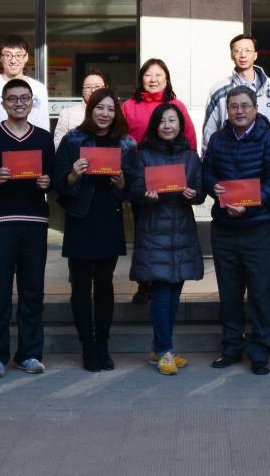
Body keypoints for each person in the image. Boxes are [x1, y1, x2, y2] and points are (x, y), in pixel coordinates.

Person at [0, 78, 56, 378]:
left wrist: (48, 182)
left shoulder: (44, 138)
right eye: (12, 99)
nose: (19, 103)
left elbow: (54, 177)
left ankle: (29, 354)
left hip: (35, 221)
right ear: (3, 103)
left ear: (33, 102)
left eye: (24, 98)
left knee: (32, 290)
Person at [53, 88, 138, 372]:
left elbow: (133, 187)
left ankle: (102, 344)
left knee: (104, 283)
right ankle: (87, 346)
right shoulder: (73, 139)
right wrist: (73, 175)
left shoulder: (126, 143)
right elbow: (58, 183)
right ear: (90, 110)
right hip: (80, 218)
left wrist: (122, 184)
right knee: (80, 284)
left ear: (116, 113)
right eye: (100, 108)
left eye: (110, 109)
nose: (105, 114)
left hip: (109, 218)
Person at [202, 85, 270, 376]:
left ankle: (260, 352)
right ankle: (231, 347)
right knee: (229, 293)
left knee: (261, 293)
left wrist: (248, 206)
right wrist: (213, 187)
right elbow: (206, 170)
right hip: (224, 228)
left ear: (255, 109)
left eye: (245, 106)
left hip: (258, 227)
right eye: (234, 106)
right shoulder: (217, 139)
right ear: (227, 110)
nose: (239, 111)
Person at [129, 102, 206, 376]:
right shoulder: (143, 155)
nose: (167, 125)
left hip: (182, 231)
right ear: (155, 126)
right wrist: (144, 195)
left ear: (180, 125)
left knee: (174, 294)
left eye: (172, 120)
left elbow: (200, 191)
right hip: (154, 231)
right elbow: (134, 188)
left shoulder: (190, 156)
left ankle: (160, 348)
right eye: (162, 121)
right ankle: (164, 349)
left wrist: (194, 194)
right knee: (162, 293)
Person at [122, 58, 198, 304]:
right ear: (141, 78)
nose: (153, 79)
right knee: (144, 231)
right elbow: (120, 140)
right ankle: (145, 283)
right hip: (141, 177)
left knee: (173, 230)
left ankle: (172, 275)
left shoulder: (176, 106)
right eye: (148, 75)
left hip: (174, 181)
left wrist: (190, 176)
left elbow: (190, 141)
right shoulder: (129, 106)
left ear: (166, 79)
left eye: (158, 75)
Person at [202, 33, 270, 154]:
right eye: (237, 50)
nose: (243, 55)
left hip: (269, 159)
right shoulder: (219, 90)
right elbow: (209, 132)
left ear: (255, 55)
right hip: (230, 158)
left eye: (247, 50)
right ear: (231, 55)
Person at [54, 69, 108, 150]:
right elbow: (57, 145)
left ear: (105, 89)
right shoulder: (67, 114)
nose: (93, 90)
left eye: (97, 86)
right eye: (88, 87)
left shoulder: (111, 114)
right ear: (82, 91)